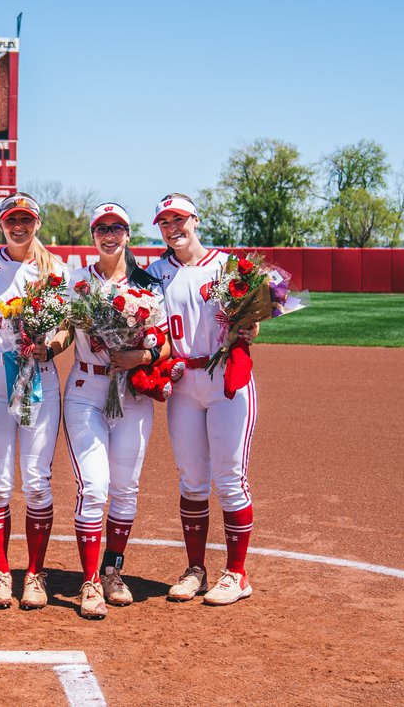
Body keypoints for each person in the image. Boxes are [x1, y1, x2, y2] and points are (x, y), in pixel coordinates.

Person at [41, 203, 167, 619]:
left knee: (126, 488)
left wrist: (141, 353)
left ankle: (113, 571)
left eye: (117, 227)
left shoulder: (148, 284)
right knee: (95, 486)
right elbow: (61, 330)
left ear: (128, 234)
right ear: (93, 236)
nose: (109, 234)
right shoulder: (76, 282)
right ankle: (90, 581)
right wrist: (45, 346)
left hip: (131, 390)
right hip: (86, 386)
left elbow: (164, 342)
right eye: (101, 228)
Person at [147, 193, 259, 607]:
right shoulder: (155, 272)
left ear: (196, 219)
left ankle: (237, 573)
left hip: (224, 378)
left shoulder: (228, 266)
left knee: (230, 477)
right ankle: (196, 569)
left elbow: (253, 323)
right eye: (164, 222)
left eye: (179, 219)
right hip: (182, 380)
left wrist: (250, 327)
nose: (173, 227)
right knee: (192, 479)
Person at [0, 193, 67, 610]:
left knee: (37, 480)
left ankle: (35, 574)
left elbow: (66, 329)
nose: (19, 226)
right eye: (12, 220)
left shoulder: (55, 269)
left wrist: (49, 348)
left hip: (40, 376)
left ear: (37, 223)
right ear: (1, 224)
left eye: (26, 219)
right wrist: (1, 353)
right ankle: (0, 572)